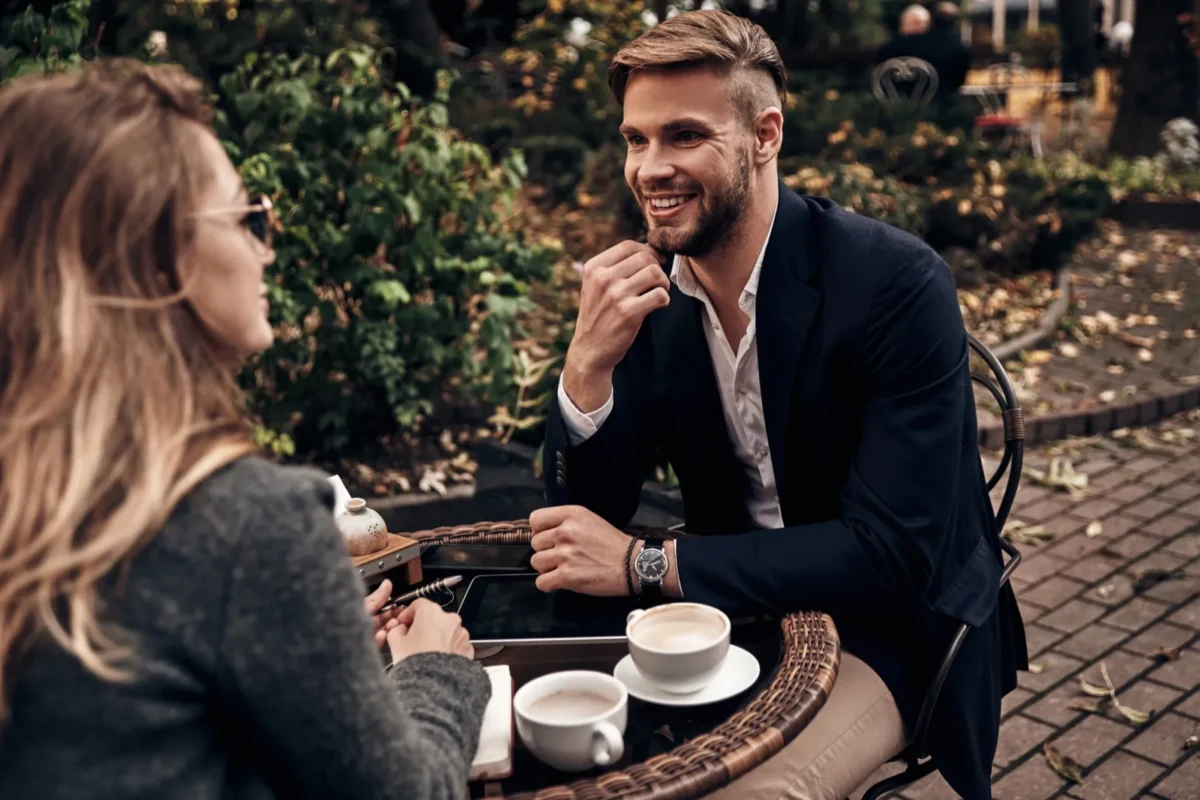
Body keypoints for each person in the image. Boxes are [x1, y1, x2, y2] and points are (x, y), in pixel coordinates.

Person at [530, 10, 1026, 800]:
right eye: (635, 139)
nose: (649, 168)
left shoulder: (893, 285)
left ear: (765, 136)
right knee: (558, 746)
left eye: (684, 135)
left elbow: (894, 555)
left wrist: (647, 563)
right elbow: (581, 528)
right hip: (727, 610)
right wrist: (586, 368)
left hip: (888, 629)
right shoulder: (651, 289)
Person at [0, 60, 489, 799]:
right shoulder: (245, 527)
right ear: (158, 258)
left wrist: (306, 646)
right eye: (246, 218)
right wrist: (437, 668)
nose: (267, 247)